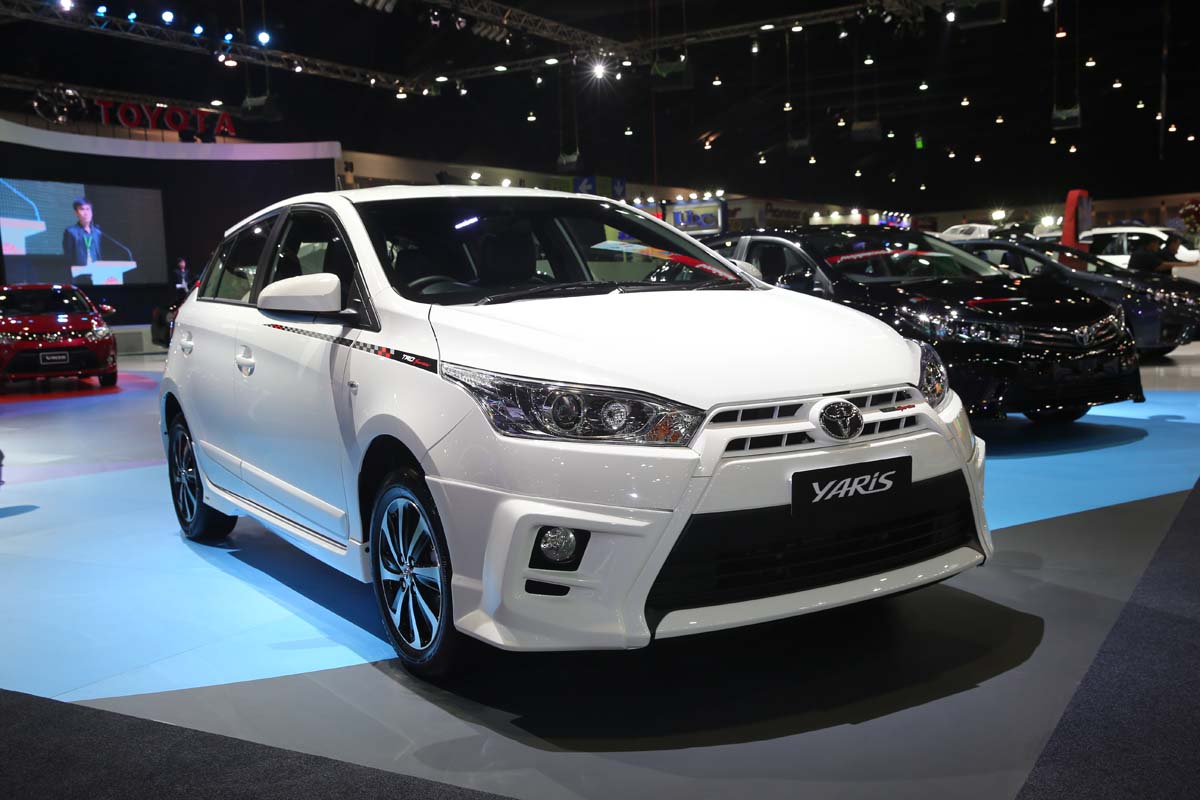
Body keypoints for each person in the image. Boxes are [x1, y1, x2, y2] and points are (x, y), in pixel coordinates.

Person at [62, 197, 102, 269]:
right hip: (80, 272)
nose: (86, 213)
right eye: (82, 209)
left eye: (88, 209)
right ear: (76, 213)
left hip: (97, 270)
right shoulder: (71, 232)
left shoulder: (97, 232)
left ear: (92, 212)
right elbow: (68, 257)